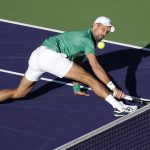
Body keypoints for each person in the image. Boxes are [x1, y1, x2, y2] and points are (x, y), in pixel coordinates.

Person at [0, 16, 138, 117]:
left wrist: (76, 86)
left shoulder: (83, 39)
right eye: (103, 29)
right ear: (95, 25)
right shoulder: (87, 40)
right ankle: (119, 107)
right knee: (90, 78)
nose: (104, 34)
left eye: (107, 32)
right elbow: (95, 66)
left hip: (37, 55)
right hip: (50, 57)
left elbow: (76, 63)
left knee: (20, 93)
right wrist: (113, 88)